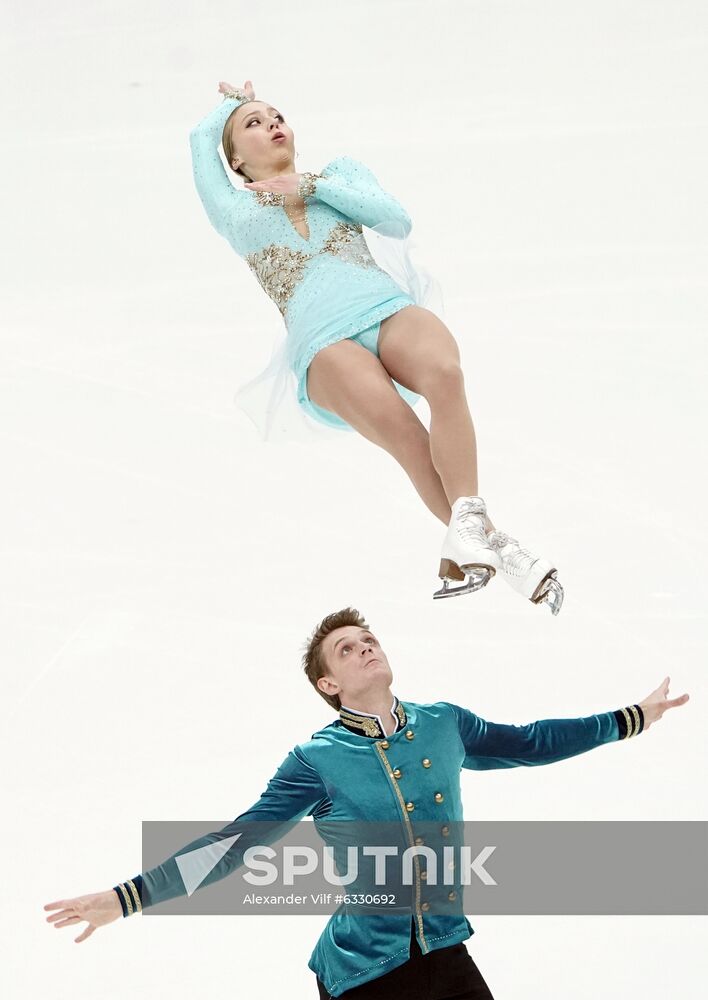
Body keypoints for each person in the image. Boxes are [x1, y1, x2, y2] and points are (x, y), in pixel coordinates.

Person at [43, 608, 689, 998]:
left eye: (367, 638)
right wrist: (128, 897)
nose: (363, 647)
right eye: (345, 649)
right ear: (329, 683)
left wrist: (630, 717)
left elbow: (532, 742)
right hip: (362, 977)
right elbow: (236, 845)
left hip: (445, 954)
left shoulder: (443, 723)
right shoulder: (316, 761)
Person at [187, 78, 564, 613]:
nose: (272, 123)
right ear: (236, 161)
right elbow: (198, 141)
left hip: (385, 309)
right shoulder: (235, 211)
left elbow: (393, 216)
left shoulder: (338, 174)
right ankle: (505, 553)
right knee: (409, 438)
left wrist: (309, 185)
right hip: (324, 343)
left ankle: (475, 534)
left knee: (446, 375)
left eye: (276, 115)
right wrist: (228, 103)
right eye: (253, 123)